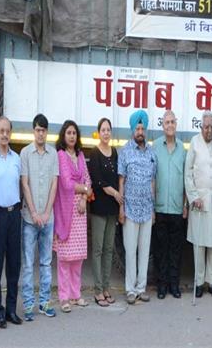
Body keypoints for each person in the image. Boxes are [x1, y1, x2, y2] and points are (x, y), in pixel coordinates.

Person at [0, 117, 23, 328]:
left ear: (11, 133)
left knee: (14, 265)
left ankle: (10, 310)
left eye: (8, 131)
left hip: (14, 215)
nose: (5, 134)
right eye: (2, 131)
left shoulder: (17, 159)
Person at [20, 114, 59, 321]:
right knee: (27, 263)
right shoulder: (25, 153)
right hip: (29, 218)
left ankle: (44, 302)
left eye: (44, 130)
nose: (40, 133)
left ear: (47, 132)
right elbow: (24, 184)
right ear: (33, 131)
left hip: (48, 218)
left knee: (45, 262)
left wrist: (45, 213)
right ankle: (28, 305)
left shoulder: (53, 154)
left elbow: (55, 184)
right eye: (37, 129)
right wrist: (34, 212)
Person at [119, 110, 157, 305]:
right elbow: (121, 181)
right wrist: (121, 208)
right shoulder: (125, 151)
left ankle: (141, 288)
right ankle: (130, 289)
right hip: (131, 209)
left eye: (143, 128)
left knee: (144, 250)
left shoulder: (151, 153)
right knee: (130, 250)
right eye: (137, 128)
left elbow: (152, 181)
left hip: (146, 209)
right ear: (132, 130)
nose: (140, 131)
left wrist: (153, 208)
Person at [185, 111, 212, 298]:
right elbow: (188, 172)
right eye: (206, 127)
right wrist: (193, 197)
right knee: (199, 244)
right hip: (199, 202)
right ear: (201, 127)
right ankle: (199, 282)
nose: (209, 130)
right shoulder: (194, 142)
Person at [53, 120, 92, 313]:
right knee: (65, 257)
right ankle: (64, 297)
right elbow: (67, 184)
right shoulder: (61, 156)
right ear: (63, 135)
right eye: (68, 133)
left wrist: (84, 197)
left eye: (74, 133)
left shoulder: (81, 155)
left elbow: (88, 179)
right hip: (66, 210)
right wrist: (84, 188)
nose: (71, 136)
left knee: (77, 258)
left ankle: (76, 295)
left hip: (80, 211)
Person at [152, 110, 187, 300]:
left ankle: (174, 285)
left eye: (172, 122)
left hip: (176, 207)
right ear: (162, 125)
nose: (170, 125)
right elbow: (151, 177)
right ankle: (162, 285)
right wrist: (151, 206)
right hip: (159, 207)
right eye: (167, 122)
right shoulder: (155, 146)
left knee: (176, 250)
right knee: (160, 250)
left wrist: (185, 205)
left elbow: (186, 180)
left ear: (176, 124)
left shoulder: (183, 149)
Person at [87, 118, 121, 307]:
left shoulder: (114, 152)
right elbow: (98, 181)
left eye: (109, 130)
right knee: (98, 250)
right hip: (100, 207)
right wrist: (116, 193)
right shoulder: (95, 152)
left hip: (112, 209)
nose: (106, 133)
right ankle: (98, 290)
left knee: (109, 249)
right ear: (98, 132)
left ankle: (107, 288)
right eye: (103, 130)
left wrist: (116, 195)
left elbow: (117, 178)